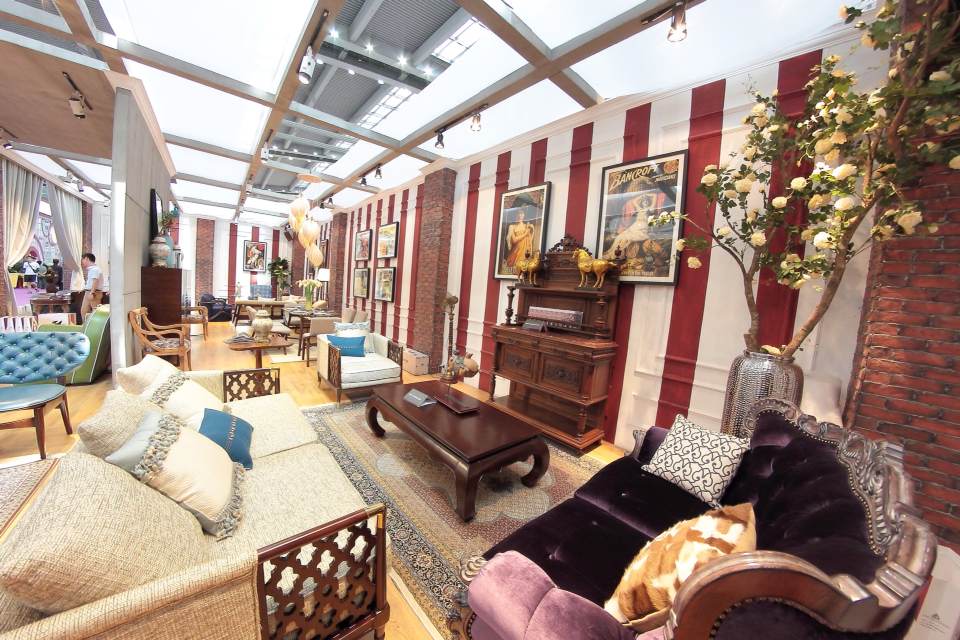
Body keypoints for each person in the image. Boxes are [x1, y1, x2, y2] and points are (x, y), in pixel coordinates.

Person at [80, 253, 103, 320]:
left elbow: (95, 281)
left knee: (95, 312)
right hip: (89, 292)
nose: (82, 262)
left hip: (94, 292)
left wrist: (92, 292)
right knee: (84, 311)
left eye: (83, 259)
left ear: (86, 258)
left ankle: (95, 326)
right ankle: (85, 325)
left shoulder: (95, 269)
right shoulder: (92, 269)